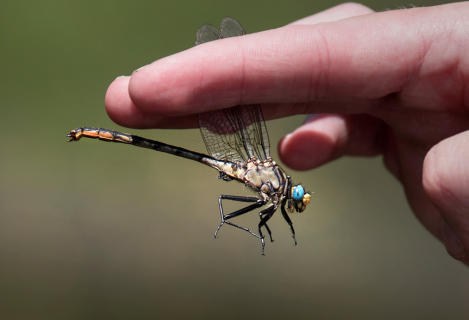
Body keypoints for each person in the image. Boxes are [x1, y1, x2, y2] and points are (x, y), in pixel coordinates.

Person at [104, 2, 469, 264]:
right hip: (246, 165)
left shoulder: (275, 196)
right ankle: (99, 134)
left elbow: (269, 213)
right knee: (232, 208)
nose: (297, 198)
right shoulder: (272, 190)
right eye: (297, 195)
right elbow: (259, 212)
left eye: (297, 196)